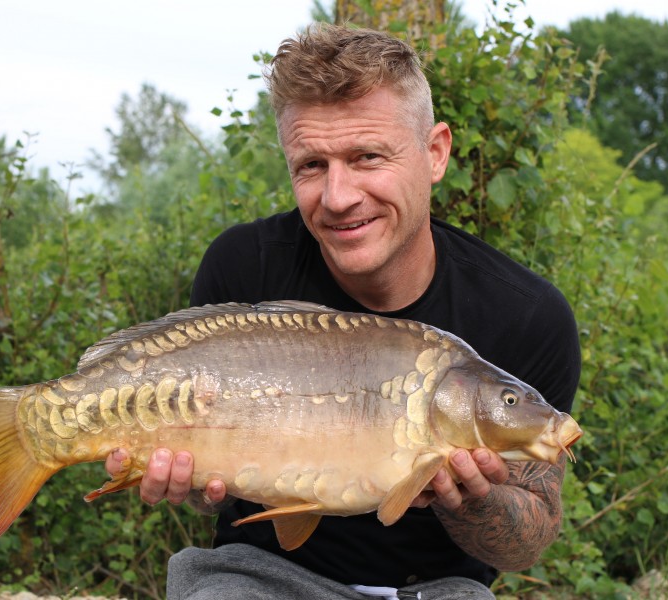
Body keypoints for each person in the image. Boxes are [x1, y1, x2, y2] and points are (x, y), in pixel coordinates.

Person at [106, 23, 581, 599]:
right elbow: (189, 439)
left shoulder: (524, 314)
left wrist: (474, 497)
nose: (338, 197)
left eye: (367, 157)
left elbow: (527, 540)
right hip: (259, 579)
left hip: (436, 588)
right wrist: (162, 460)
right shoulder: (243, 266)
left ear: (435, 153)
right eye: (311, 165)